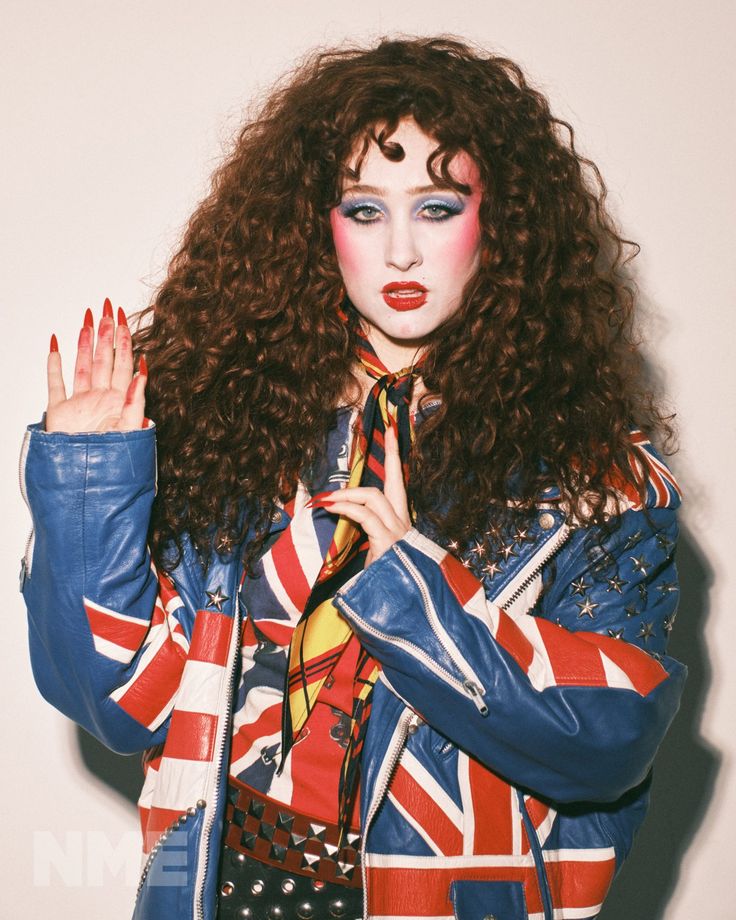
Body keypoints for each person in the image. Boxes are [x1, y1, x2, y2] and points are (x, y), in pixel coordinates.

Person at [19, 36, 686, 920]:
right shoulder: (230, 432)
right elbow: (120, 708)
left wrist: (416, 589)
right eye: (365, 210)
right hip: (221, 888)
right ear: (315, 224)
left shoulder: (595, 484)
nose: (402, 250)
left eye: (439, 207)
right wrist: (90, 490)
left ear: (507, 223)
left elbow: (608, 744)